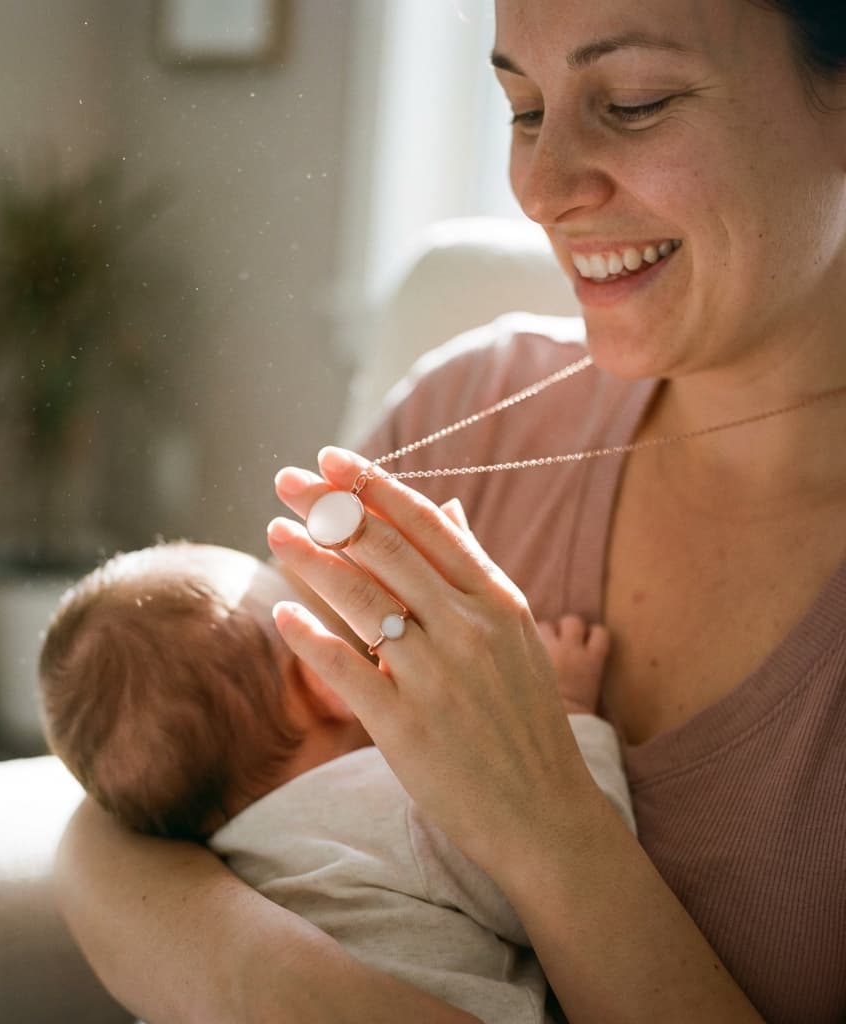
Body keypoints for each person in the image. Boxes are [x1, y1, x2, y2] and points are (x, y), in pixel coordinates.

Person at [54, 1, 846, 1021]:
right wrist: (281, 985)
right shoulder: (468, 409)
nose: (539, 187)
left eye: (634, 103)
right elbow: (129, 805)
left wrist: (544, 818)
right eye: (521, 109)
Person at [39, 540, 633, 1023]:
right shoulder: (404, 800)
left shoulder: (212, 861)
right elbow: (564, 892)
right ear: (325, 681)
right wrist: (568, 710)